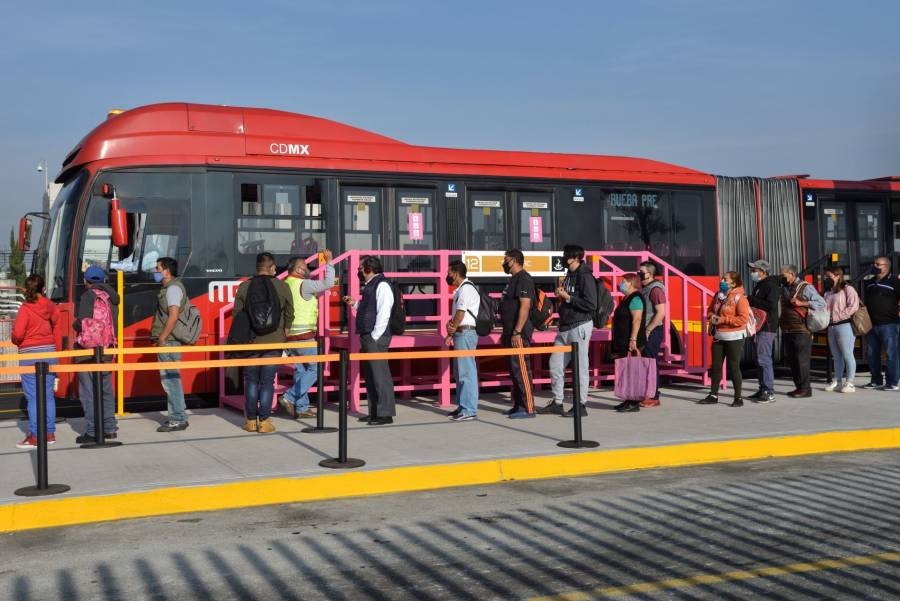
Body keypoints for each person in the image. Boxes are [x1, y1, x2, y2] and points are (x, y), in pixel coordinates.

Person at [234, 252, 293, 433]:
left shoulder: (244, 287)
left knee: (251, 380)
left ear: (257, 267)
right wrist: (284, 333)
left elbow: (237, 315)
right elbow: (290, 313)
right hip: (274, 341)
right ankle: (264, 422)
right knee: (267, 381)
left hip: (251, 342)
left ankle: (251, 421)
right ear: (272, 267)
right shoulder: (282, 286)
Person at [540, 244, 597, 417]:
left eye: (566, 255)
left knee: (580, 367)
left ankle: (581, 405)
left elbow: (591, 304)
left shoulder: (585, 276)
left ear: (574, 257)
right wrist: (563, 295)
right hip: (565, 326)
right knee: (555, 364)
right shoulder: (569, 275)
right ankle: (558, 402)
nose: (563, 258)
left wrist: (569, 297)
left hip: (579, 325)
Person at [278, 250, 335, 419]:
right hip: (304, 336)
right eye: (305, 267)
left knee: (301, 371)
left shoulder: (285, 284)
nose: (308, 269)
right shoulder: (305, 284)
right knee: (316, 368)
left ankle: (301, 408)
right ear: (299, 270)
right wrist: (329, 262)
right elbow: (328, 283)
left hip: (289, 336)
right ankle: (289, 397)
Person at [344, 255, 396, 425]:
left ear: (368, 268)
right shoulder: (371, 285)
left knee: (380, 375)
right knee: (372, 375)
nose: (358, 271)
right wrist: (354, 304)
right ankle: (374, 411)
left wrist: (374, 336)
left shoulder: (382, 285)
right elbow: (370, 309)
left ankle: (384, 414)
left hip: (375, 336)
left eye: (360, 268)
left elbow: (384, 312)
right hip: (368, 335)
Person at [12, 275, 59, 449]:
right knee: (47, 395)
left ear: (27, 289)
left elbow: (17, 333)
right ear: (43, 289)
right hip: (49, 352)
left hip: (29, 355)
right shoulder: (50, 305)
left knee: (32, 397)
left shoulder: (25, 309)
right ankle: (49, 433)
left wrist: (17, 341)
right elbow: (56, 322)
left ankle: (34, 436)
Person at [74, 266, 120, 443]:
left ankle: (93, 430)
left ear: (86, 281)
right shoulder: (112, 297)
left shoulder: (88, 296)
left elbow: (82, 324)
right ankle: (109, 428)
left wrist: (75, 325)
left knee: (88, 391)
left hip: (88, 351)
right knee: (106, 389)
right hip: (107, 349)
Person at [699, 272, 751, 407]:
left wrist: (722, 319)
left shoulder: (740, 298)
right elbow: (710, 310)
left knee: (734, 367)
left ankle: (738, 398)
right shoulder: (718, 295)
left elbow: (743, 319)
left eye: (725, 279)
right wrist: (711, 316)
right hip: (718, 335)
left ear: (733, 283)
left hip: (734, 336)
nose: (721, 280)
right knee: (716, 367)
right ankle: (713, 395)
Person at [151, 257, 190, 432]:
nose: (155, 271)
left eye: (158, 268)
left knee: (170, 380)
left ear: (167, 271)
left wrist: (162, 338)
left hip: (169, 341)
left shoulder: (173, 289)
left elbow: (173, 315)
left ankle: (177, 419)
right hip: (170, 339)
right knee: (172, 379)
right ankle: (179, 416)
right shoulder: (170, 287)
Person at [778, 264, 826, 398]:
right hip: (788, 329)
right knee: (793, 361)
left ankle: (806, 389)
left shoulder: (806, 287)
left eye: (783, 275)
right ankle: (799, 387)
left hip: (801, 329)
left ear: (792, 274)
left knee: (801, 360)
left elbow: (821, 303)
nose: (781, 277)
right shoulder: (785, 288)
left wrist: (802, 303)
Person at [499, 249, 536, 419]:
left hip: (518, 334)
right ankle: (518, 404)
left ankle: (529, 408)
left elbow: (525, 306)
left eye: (505, 259)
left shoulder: (524, 279)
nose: (504, 262)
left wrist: (517, 331)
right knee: (514, 372)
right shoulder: (512, 279)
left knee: (522, 370)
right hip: (509, 333)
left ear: (513, 260)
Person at [444, 260, 481, 421]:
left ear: (456, 273)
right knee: (460, 373)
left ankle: (469, 410)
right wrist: (452, 330)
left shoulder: (466, 289)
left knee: (467, 373)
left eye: (449, 272)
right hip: (462, 333)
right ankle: (462, 406)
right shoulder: (462, 289)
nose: (448, 275)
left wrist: (451, 330)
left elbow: (460, 313)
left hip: (465, 333)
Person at [862, 256, 900, 391]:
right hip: (871, 324)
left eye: (878, 264)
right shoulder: (870, 282)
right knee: (872, 354)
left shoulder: (894, 281)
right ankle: (876, 380)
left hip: (889, 324)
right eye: (874, 264)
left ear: (886, 266)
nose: (875, 266)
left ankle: (892, 382)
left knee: (891, 354)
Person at [610, 273, 647, 413]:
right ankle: (628, 399)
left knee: (632, 372)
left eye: (624, 281)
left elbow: (636, 320)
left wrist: (633, 340)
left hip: (631, 342)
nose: (622, 283)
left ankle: (634, 402)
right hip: (623, 341)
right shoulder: (626, 298)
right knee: (626, 372)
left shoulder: (636, 298)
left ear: (631, 283)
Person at [746, 259, 780, 404]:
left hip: (767, 327)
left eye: (755, 270)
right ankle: (762, 388)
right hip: (758, 326)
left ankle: (769, 391)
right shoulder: (760, 285)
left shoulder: (771, 285)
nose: (752, 272)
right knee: (759, 359)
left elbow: (770, 306)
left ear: (763, 272)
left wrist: (750, 299)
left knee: (764, 359)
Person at [824, 267, 860, 393]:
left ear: (838, 276)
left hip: (845, 325)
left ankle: (850, 382)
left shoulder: (848, 289)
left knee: (847, 354)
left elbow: (853, 306)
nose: (826, 279)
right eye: (826, 276)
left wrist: (836, 316)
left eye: (829, 276)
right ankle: (838, 381)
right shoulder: (828, 292)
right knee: (836, 356)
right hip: (831, 326)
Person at [638, 261, 666, 408]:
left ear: (650, 273)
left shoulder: (655, 289)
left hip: (653, 330)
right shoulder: (645, 288)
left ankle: (654, 396)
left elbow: (661, 313)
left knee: (651, 363)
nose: (639, 274)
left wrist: (648, 329)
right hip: (646, 330)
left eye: (641, 272)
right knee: (645, 363)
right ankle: (647, 393)